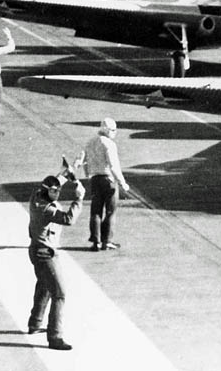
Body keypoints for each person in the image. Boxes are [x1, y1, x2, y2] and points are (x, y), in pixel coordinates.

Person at [27, 168, 85, 351]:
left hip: (36, 250)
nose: (57, 193)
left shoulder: (36, 196)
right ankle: (55, 337)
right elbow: (68, 219)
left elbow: (51, 183)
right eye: (54, 191)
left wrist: (65, 173)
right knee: (59, 293)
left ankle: (35, 323)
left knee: (44, 284)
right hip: (45, 253)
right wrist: (79, 198)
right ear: (47, 191)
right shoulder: (47, 209)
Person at [83, 118, 130, 251]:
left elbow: (85, 161)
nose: (115, 133)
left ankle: (95, 241)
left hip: (95, 179)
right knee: (110, 211)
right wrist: (122, 183)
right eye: (114, 130)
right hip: (108, 179)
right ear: (108, 130)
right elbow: (113, 166)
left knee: (95, 211)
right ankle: (107, 240)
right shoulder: (109, 144)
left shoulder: (90, 142)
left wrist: (88, 174)